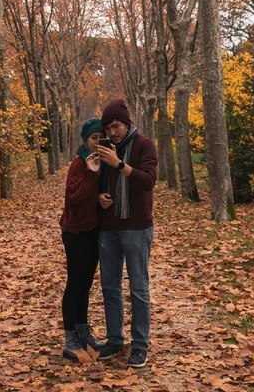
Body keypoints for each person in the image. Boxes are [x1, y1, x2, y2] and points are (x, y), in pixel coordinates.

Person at [95, 99, 157, 368]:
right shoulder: (106, 149)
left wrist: (120, 164)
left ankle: (140, 345)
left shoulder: (144, 145)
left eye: (116, 126)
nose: (112, 132)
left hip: (136, 228)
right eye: (108, 128)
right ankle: (115, 340)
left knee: (139, 288)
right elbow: (100, 181)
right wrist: (100, 196)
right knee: (109, 286)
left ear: (127, 123)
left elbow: (148, 180)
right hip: (109, 227)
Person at [59, 117, 107, 361]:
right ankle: (70, 340)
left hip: (93, 231)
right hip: (75, 231)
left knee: (86, 285)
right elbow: (74, 197)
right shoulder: (79, 164)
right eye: (93, 138)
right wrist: (90, 174)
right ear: (86, 140)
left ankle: (82, 331)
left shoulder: (103, 160)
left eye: (101, 137)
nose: (97, 142)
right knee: (75, 284)